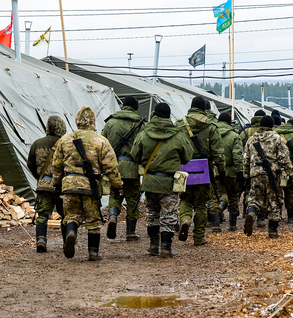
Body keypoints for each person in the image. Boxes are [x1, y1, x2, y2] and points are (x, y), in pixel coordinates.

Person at [52, 106, 123, 261]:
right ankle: (93, 252)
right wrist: (117, 186)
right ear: (92, 121)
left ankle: (71, 232)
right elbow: (111, 167)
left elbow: (56, 165)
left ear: (77, 121)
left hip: (70, 184)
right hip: (90, 186)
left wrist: (56, 184)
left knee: (72, 215)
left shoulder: (64, 139)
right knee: (93, 220)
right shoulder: (101, 141)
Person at [130, 103, 194, 257]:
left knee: (152, 214)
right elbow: (187, 157)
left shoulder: (144, 133)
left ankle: (153, 245)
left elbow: (134, 154)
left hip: (150, 181)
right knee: (169, 214)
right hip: (169, 182)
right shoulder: (178, 135)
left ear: (155, 115)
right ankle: (166, 247)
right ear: (168, 116)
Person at [177, 96, 225, 246]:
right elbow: (218, 152)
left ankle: (185, 219)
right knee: (202, 204)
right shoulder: (211, 127)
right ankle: (198, 237)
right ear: (204, 109)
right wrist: (221, 172)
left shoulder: (179, 125)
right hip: (204, 169)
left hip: (184, 167)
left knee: (185, 199)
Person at [242, 115, 293, 238]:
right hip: (272, 175)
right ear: (272, 126)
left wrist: (246, 176)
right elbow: (284, 158)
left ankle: (251, 213)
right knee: (275, 201)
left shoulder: (251, 139)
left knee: (254, 199)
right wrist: (291, 173)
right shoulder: (277, 138)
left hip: (255, 174)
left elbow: (245, 159)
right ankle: (272, 230)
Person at [101, 96, 145, 241]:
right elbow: (144, 146)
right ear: (135, 108)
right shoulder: (139, 124)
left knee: (115, 195)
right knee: (133, 199)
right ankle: (130, 232)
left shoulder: (111, 122)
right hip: (132, 168)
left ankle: (113, 217)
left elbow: (102, 143)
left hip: (114, 167)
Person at [28, 115, 67, 252]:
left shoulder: (37, 143)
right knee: (65, 215)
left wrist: (41, 178)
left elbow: (30, 165)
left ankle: (41, 240)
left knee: (42, 215)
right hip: (62, 186)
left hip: (44, 185)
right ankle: (66, 241)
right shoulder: (66, 143)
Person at [216, 112, 243, 231]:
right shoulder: (234, 136)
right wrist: (240, 171)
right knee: (233, 197)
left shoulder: (213, 133)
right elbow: (237, 156)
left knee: (215, 196)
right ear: (229, 122)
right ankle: (232, 225)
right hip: (230, 172)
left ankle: (216, 223)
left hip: (215, 170)